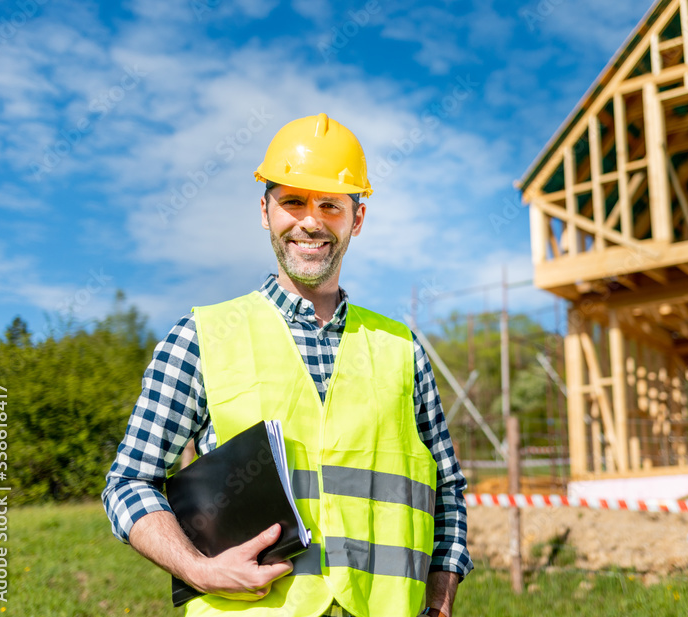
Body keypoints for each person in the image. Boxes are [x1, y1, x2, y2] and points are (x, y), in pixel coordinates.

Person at [103, 113, 472, 617]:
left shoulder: (402, 348)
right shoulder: (200, 337)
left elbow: (447, 491)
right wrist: (196, 568)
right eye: (293, 201)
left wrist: (440, 605)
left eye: (330, 205)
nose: (311, 221)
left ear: (356, 219)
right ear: (265, 211)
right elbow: (128, 483)